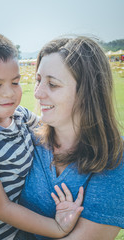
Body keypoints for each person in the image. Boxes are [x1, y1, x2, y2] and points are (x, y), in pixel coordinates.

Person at [0, 32, 84, 240]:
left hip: (20, 231)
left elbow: (52, 131)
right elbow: (2, 208)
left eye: (15, 82)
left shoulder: (20, 115)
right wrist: (57, 228)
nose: (9, 93)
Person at [17, 36, 124, 240]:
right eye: (38, 81)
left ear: (87, 93)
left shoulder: (115, 157)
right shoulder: (26, 137)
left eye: (53, 84)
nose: (38, 94)